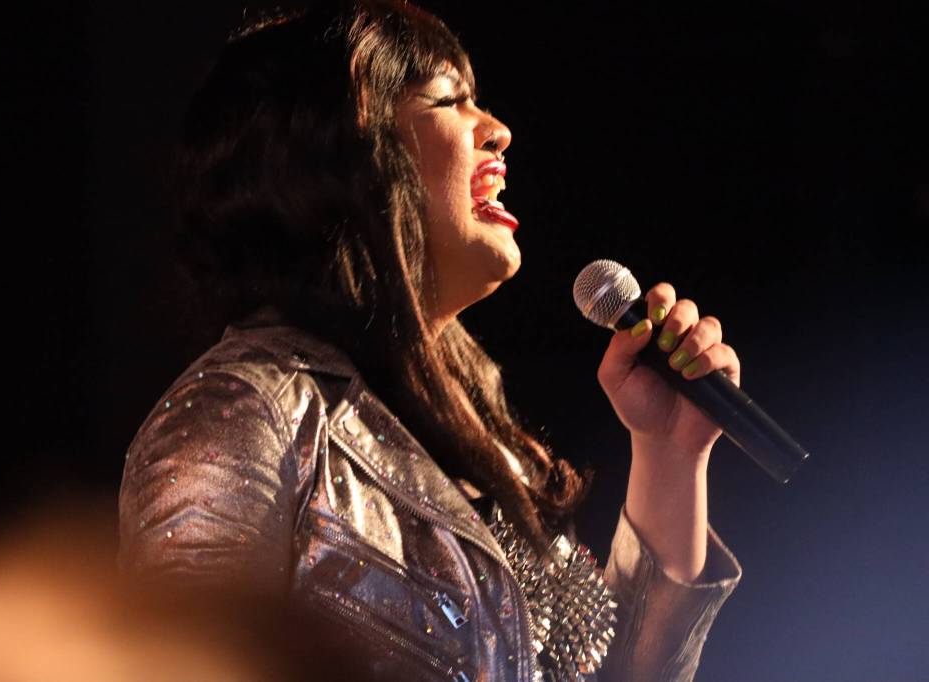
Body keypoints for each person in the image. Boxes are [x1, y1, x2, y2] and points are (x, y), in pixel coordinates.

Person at [118, 1, 742, 680]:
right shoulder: (245, 415)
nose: (499, 132)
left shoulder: (488, 448)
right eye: (450, 100)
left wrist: (671, 456)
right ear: (342, 153)